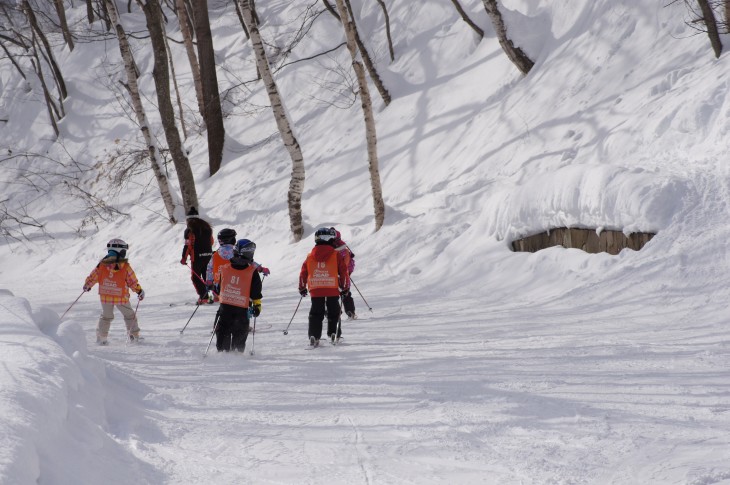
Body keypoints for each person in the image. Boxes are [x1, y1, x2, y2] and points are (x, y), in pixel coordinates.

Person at [83, 238, 145, 345]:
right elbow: (132, 281)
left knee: (106, 316)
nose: (124, 254)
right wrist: (139, 291)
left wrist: (88, 285)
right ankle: (134, 336)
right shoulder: (125, 267)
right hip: (121, 297)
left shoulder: (102, 265)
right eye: (123, 251)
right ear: (120, 251)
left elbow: (93, 276)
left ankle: (102, 338)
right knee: (129, 315)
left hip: (105, 296)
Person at [298, 227, 350, 346]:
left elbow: (303, 272)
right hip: (332, 288)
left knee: (316, 312)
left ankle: (314, 335)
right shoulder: (336, 255)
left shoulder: (310, 255)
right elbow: (343, 272)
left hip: (316, 289)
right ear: (330, 239)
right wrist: (345, 287)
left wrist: (302, 287)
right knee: (334, 312)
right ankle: (334, 333)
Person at [213, 238, 263, 352]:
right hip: (242, 312)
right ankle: (237, 357)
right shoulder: (252, 271)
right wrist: (257, 306)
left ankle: (222, 354)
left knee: (222, 344)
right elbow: (256, 292)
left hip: (225, 310)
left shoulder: (225, 268)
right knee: (238, 346)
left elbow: (219, 287)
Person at [180, 206, 214, 304]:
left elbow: (188, 245)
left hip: (197, 258)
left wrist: (184, 258)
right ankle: (214, 295)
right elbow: (211, 241)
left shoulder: (189, 230)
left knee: (196, 277)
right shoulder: (207, 227)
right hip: (208, 256)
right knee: (208, 277)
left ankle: (204, 297)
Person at [331, 227, 357, 319]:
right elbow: (350, 264)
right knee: (345, 293)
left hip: (337, 275)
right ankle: (350, 312)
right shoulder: (344, 249)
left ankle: (336, 313)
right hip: (343, 275)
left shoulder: (341, 250)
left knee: (332, 295)